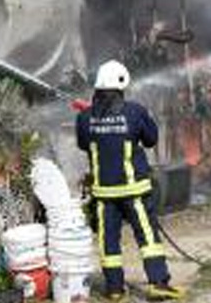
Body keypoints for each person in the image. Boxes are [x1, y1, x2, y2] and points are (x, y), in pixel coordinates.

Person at [76, 60, 184, 301]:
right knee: (147, 237)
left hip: (104, 194)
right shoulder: (135, 111)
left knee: (108, 241)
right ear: (121, 84)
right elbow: (151, 139)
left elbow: (84, 144)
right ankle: (158, 282)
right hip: (134, 190)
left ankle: (114, 289)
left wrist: (96, 123)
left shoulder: (84, 117)